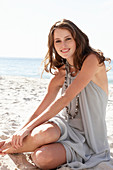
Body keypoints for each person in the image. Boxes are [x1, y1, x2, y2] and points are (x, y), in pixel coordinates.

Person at [0, 19, 111, 170]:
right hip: (64, 126)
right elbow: (43, 106)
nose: (63, 45)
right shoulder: (61, 73)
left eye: (68, 39)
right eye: (57, 41)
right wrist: (20, 130)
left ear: (77, 39)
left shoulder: (93, 60)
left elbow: (66, 98)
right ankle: (8, 146)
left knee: (42, 158)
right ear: (53, 45)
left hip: (90, 137)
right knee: (44, 132)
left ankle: (9, 147)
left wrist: (26, 130)